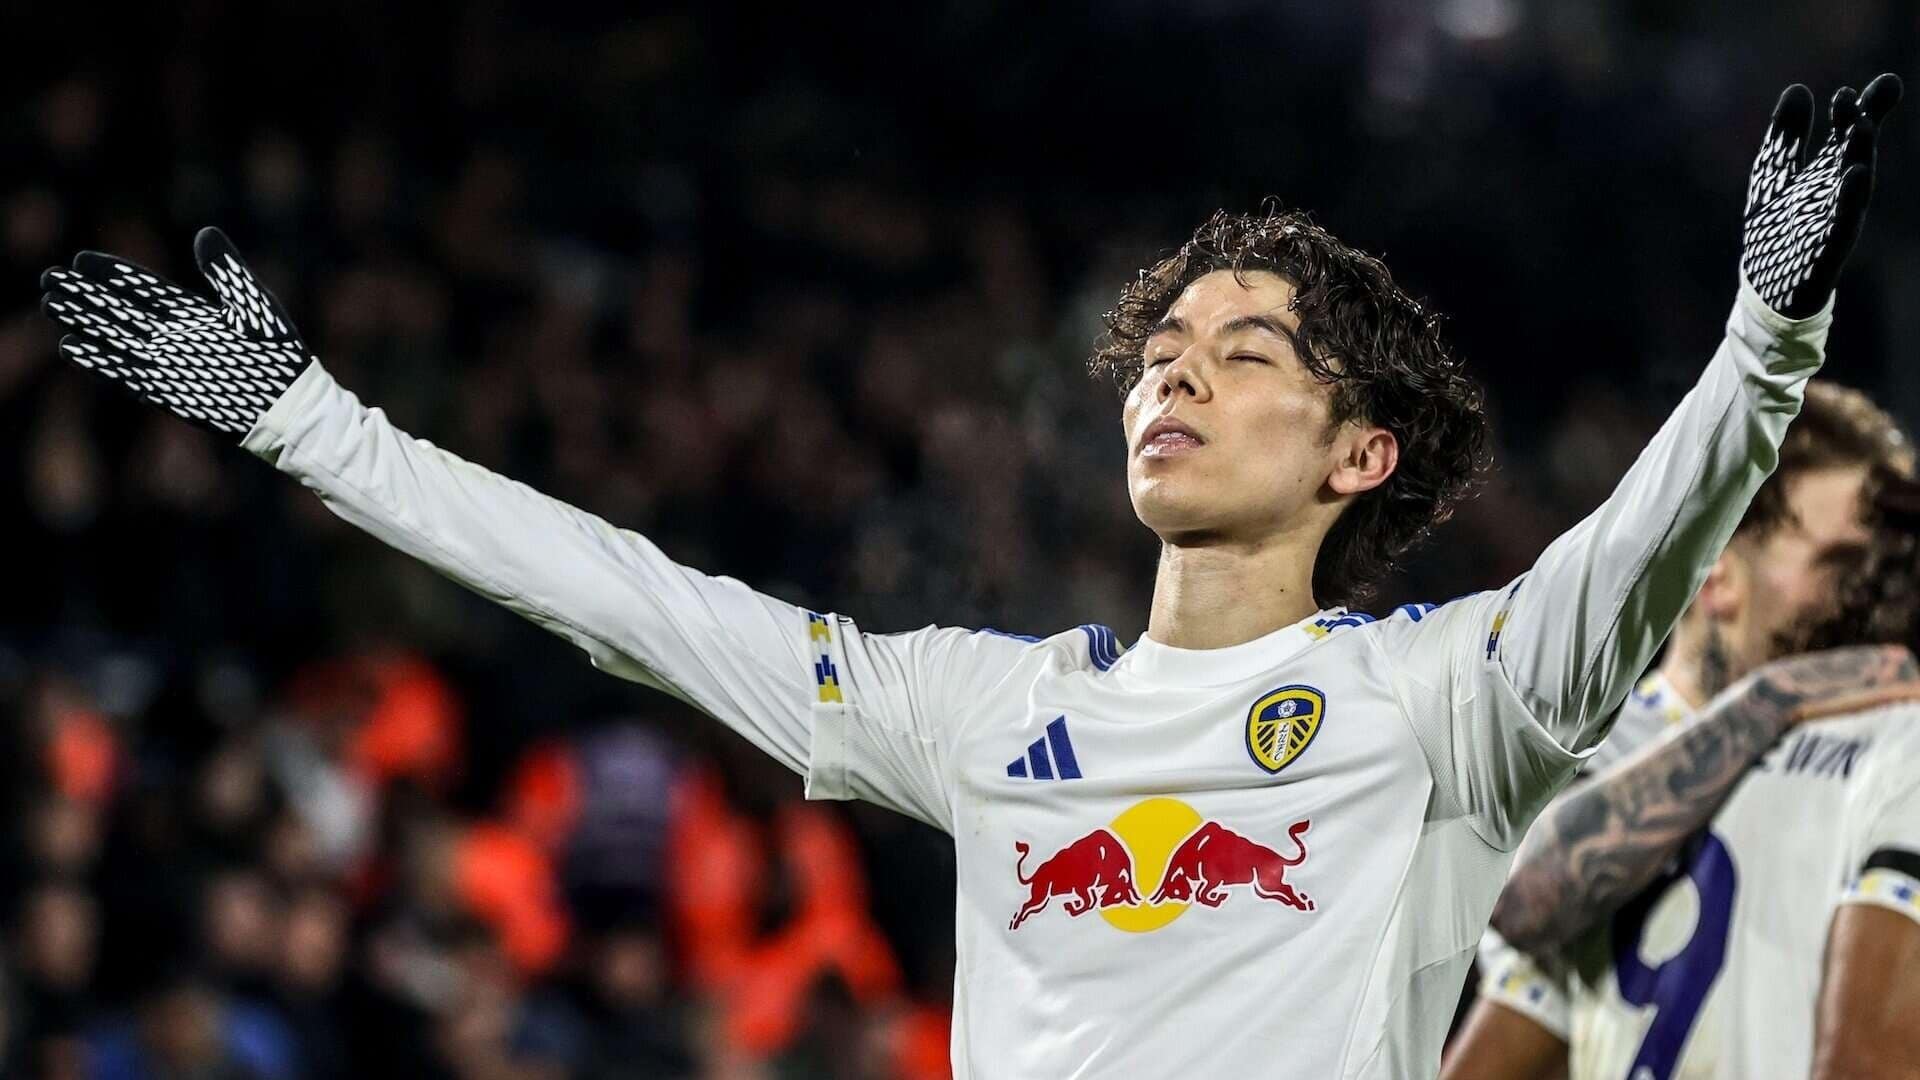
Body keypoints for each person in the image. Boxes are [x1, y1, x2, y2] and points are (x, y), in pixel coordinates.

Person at [35, 77, 1903, 1077]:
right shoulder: (983, 709)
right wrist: (305, 419)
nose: (1178, 368)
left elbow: (1638, 552)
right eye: (1164, 345)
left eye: (1245, 351)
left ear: (1362, 455)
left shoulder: (1444, 704)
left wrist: (1766, 334)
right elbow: (625, 594)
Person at [1441, 382, 1912, 1080]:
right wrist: (1772, 700)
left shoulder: (1880, 743)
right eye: (1839, 563)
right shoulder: (1591, 748)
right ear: (1718, 567)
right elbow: (1521, 902)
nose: (1868, 594)